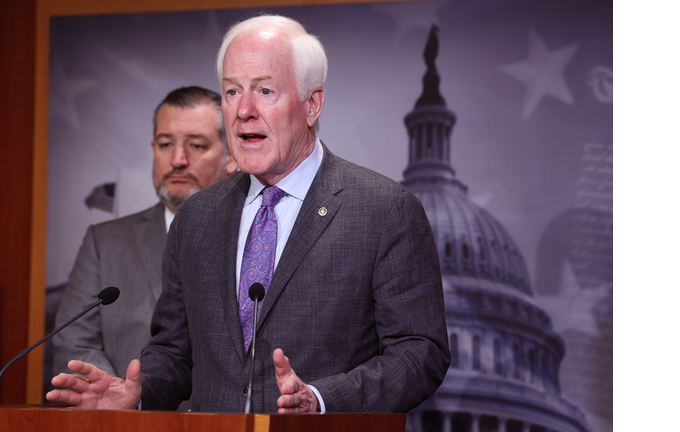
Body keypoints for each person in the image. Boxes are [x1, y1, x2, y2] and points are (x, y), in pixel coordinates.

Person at [47, 14, 450, 414]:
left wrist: (322, 400)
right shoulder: (197, 216)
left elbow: (420, 352)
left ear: (312, 105)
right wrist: (139, 395)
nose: (244, 110)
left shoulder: (384, 210)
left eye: (265, 90)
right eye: (232, 91)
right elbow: (174, 353)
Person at [51, 86, 238, 386]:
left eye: (196, 145)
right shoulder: (105, 243)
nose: (177, 159)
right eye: (165, 144)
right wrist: (124, 399)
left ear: (231, 157)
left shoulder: (257, 237)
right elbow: (74, 342)